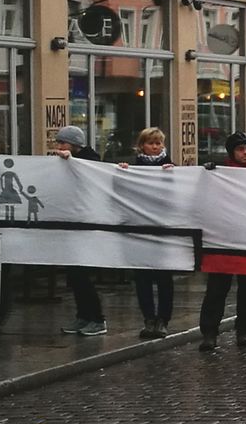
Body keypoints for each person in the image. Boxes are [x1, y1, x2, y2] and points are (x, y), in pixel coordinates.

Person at [199, 133, 246, 350]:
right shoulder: (220, 171)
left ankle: (243, 330)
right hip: (223, 239)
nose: (245, 153)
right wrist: (207, 173)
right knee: (216, 290)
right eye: (240, 149)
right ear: (231, 152)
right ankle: (209, 333)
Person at [45, 126, 110, 336]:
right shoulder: (65, 162)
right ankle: (83, 316)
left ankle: (97, 318)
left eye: (63, 143)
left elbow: (91, 176)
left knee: (82, 274)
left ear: (74, 145)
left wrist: (72, 161)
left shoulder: (90, 160)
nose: (59, 146)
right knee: (74, 275)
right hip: (72, 223)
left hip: (86, 225)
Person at [122, 127, 177, 339]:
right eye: (151, 143)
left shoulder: (170, 167)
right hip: (140, 227)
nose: (155, 147)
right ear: (142, 145)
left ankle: (163, 319)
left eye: (158, 143)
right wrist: (122, 173)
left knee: (164, 277)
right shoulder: (133, 166)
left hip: (163, 228)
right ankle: (148, 318)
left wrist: (173, 175)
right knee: (142, 277)